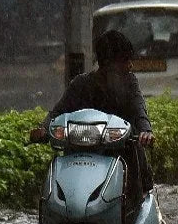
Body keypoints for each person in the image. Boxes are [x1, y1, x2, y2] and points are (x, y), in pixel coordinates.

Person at [32, 29, 155, 194]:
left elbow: (139, 108)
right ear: (108, 63)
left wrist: (145, 131)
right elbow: (58, 112)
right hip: (80, 155)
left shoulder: (129, 82)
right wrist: (43, 129)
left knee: (138, 180)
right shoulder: (80, 85)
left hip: (121, 152)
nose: (130, 66)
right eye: (124, 60)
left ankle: (135, 202)